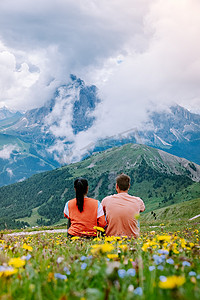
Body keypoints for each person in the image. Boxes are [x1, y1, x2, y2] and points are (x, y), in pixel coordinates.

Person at [101, 173, 145, 238]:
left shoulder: (106, 200)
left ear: (116, 186)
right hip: (132, 238)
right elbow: (143, 209)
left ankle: (109, 233)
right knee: (136, 213)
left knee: (104, 213)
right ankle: (133, 234)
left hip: (111, 238)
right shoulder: (138, 200)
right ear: (129, 186)